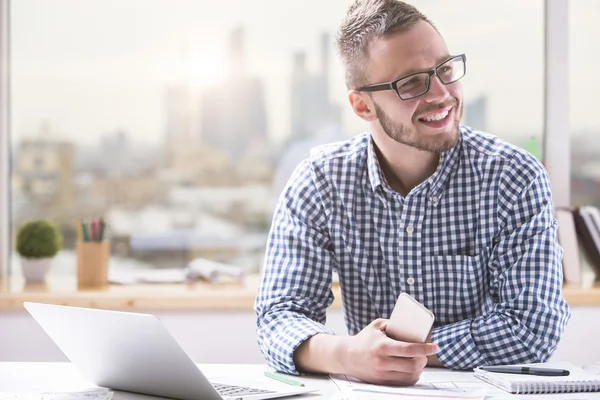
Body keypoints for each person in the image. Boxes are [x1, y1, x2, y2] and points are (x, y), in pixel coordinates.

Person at [254, 0, 571, 386]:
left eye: (445, 70)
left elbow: (532, 326)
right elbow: (278, 317)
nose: (441, 93)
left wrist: (395, 353)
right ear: (361, 105)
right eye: (410, 83)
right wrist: (350, 354)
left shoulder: (514, 178)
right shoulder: (320, 182)